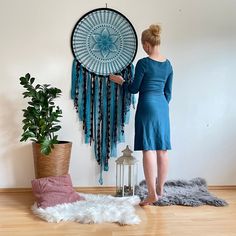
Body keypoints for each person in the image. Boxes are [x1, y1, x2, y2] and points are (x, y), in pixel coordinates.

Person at [109, 24, 173, 206]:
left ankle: (152, 193)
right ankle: (160, 188)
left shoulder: (144, 63)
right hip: (162, 107)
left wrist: (121, 81)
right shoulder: (168, 65)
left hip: (147, 105)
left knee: (148, 148)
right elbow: (169, 93)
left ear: (146, 44)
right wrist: (160, 104)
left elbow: (134, 88)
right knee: (162, 149)